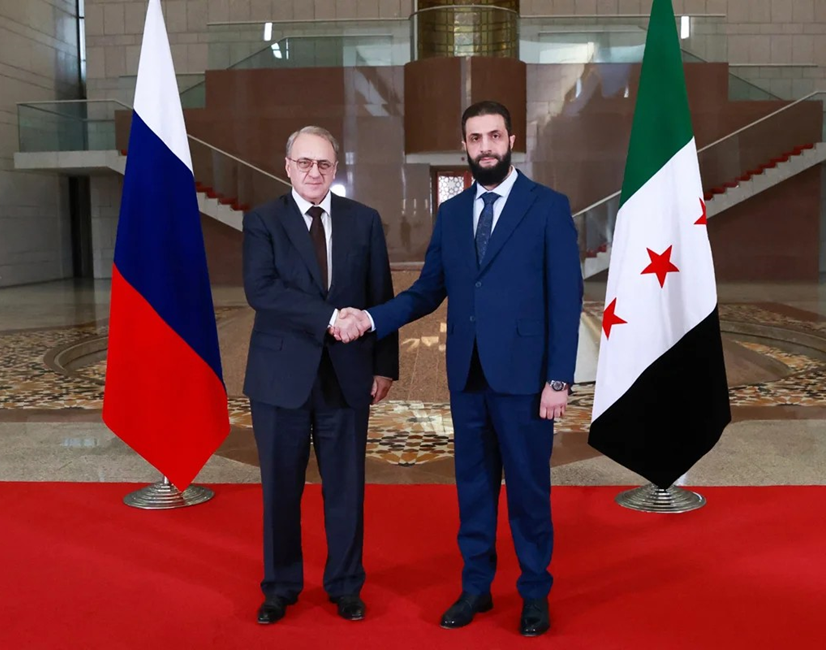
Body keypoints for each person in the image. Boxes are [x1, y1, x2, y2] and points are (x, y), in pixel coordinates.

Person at [333, 101, 582, 637]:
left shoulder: (548, 207)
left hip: (525, 381)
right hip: (468, 378)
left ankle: (534, 593)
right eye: (475, 138)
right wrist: (370, 318)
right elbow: (427, 291)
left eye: (494, 136)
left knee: (529, 492)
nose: (485, 147)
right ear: (464, 146)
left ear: (511, 140)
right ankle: (476, 588)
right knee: (473, 489)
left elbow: (566, 299)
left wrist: (558, 379)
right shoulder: (452, 213)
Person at [242, 126, 399, 625]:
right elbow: (262, 291)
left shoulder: (363, 220)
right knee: (280, 489)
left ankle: (346, 585)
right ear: (287, 166)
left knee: (346, 489)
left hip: (347, 376)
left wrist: (384, 366)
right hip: (279, 377)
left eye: (324, 164)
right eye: (305, 162)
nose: (314, 172)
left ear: (336, 168)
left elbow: (380, 294)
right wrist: (330, 318)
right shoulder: (262, 220)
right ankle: (280, 587)